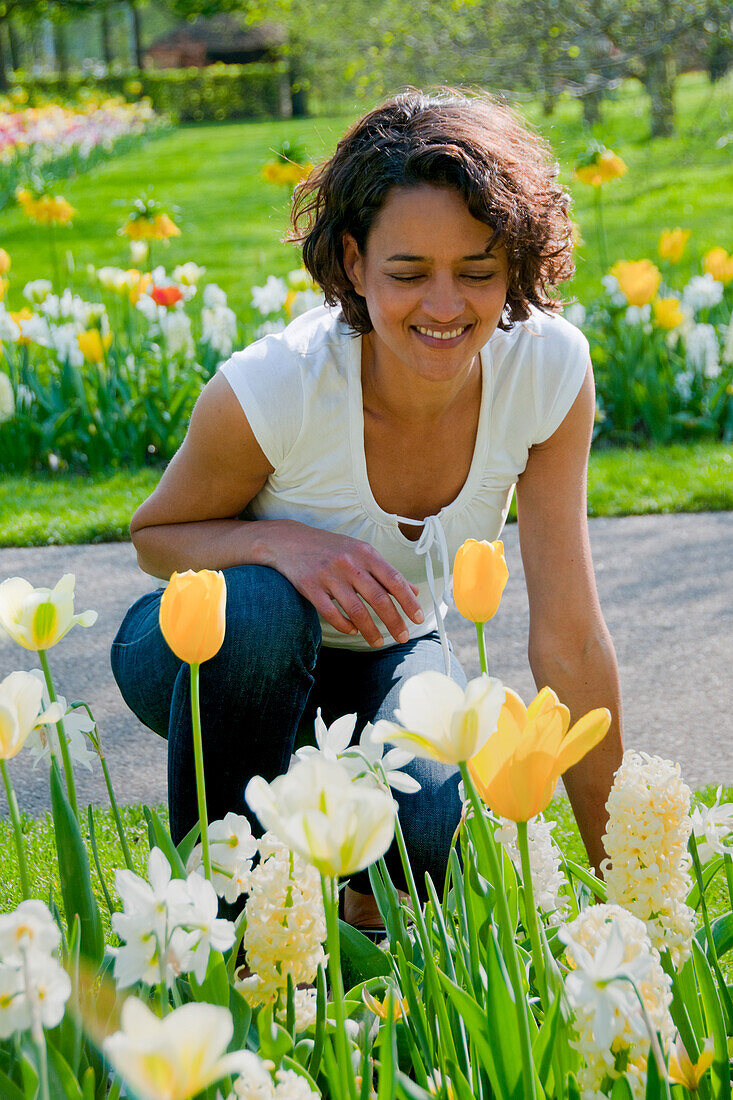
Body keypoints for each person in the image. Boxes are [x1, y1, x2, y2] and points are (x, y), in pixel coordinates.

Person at [111, 89, 624, 933]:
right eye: (408, 272)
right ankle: (230, 932)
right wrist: (281, 543)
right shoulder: (276, 386)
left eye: (477, 272)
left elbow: (569, 634)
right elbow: (155, 536)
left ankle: (355, 922)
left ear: (517, 267)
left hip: (390, 647)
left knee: (418, 824)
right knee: (265, 610)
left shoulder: (546, 375)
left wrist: (623, 890)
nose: (444, 305)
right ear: (353, 263)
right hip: (211, 647)